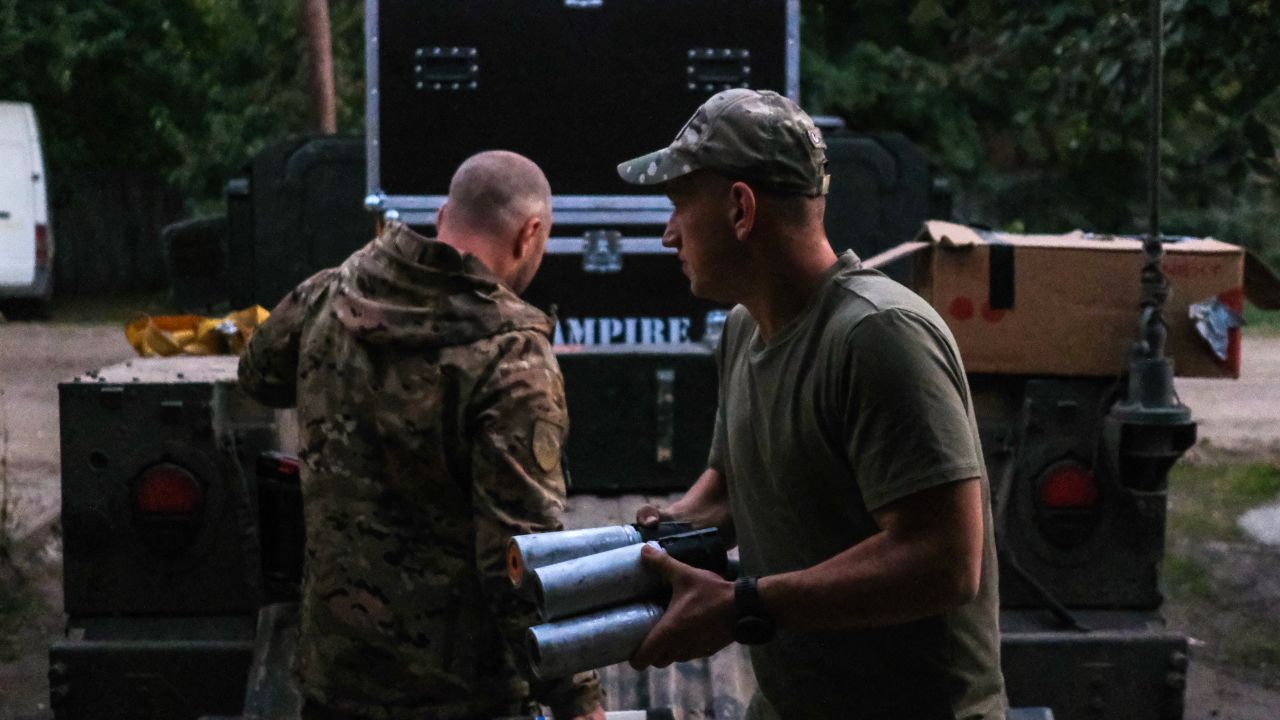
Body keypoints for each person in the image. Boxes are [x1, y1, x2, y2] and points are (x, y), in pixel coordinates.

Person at [616, 90, 1007, 719]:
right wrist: (660, 540)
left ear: (741, 210)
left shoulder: (880, 335)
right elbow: (730, 485)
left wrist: (743, 606)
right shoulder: (745, 329)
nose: (668, 236)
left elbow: (944, 559)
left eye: (678, 206)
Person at [238, 150, 604, 720]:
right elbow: (517, 558)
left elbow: (258, 374)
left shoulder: (331, 293)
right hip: (462, 699)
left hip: (336, 684)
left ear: (442, 216)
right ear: (530, 234)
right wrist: (579, 700)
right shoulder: (512, 358)